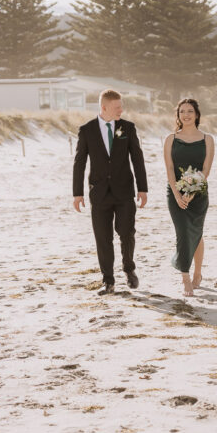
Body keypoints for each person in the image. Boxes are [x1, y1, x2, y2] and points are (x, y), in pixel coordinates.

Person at [72, 89, 148, 295]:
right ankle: (108, 280)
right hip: (99, 194)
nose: (121, 110)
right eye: (117, 107)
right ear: (104, 107)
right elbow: (79, 162)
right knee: (103, 238)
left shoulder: (128, 128)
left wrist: (143, 188)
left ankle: (129, 268)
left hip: (124, 192)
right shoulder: (87, 130)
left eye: (121, 106)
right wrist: (77, 193)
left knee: (127, 233)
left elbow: (137, 158)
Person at [164, 99, 215, 297]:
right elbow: (169, 168)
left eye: (190, 111)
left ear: (196, 114)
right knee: (183, 233)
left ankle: (198, 273)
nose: (186, 115)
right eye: (182, 111)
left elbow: (206, 169)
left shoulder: (207, 139)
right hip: (175, 193)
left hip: (199, 193)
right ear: (178, 115)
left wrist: (192, 191)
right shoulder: (171, 138)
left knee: (197, 233)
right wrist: (177, 194)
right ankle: (185, 278)